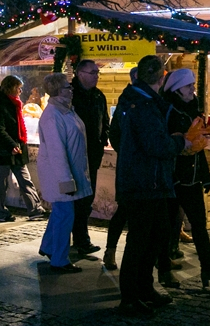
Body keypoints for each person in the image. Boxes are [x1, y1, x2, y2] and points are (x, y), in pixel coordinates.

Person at [114, 55, 190, 317]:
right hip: (144, 183)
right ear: (162, 77)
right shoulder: (142, 105)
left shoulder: (135, 100)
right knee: (140, 242)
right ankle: (130, 298)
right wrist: (180, 142)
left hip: (147, 182)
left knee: (155, 238)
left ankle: (145, 290)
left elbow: (119, 137)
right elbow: (156, 146)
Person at [162, 68, 210, 289]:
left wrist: (205, 175)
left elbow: (199, 148)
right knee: (168, 226)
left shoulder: (194, 111)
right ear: (176, 89)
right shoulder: (170, 111)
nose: (192, 89)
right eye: (188, 86)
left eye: (192, 85)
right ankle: (164, 270)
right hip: (174, 178)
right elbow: (168, 144)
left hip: (192, 178)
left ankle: (208, 269)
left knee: (200, 225)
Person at [37, 73, 93, 273]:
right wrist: (65, 180)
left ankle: (48, 247)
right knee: (65, 214)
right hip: (58, 174)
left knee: (61, 213)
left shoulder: (66, 110)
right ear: (58, 90)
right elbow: (57, 151)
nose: (71, 89)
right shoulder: (53, 115)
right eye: (67, 87)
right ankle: (59, 260)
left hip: (67, 172)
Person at [0, 75, 45, 222]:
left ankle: (35, 209)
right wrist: (12, 145)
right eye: (18, 88)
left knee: (24, 178)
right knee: (2, 182)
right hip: (6, 148)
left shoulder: (14, 103)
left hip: (16, 147)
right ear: (11, 87)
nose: (21, 91)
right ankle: (2, 212)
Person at [70, 60, 109, 257]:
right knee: (73, 199)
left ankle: (81, 238)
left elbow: (105, 122)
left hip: (92, 155)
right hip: (73, 156)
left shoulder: (98, 96)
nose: (96, 75)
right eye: (92, 72)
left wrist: (102, 140)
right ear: (79, 73)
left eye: (97, 72)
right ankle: (74, 238)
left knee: (88, 198)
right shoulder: (69, 94)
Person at [103, 67, 137, 271]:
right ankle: (111, 251)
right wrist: (126, 152)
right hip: (129, 167)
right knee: (123, 210)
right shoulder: (127, 102)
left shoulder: (151, 100)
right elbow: (114, 133)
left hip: (137, 167)